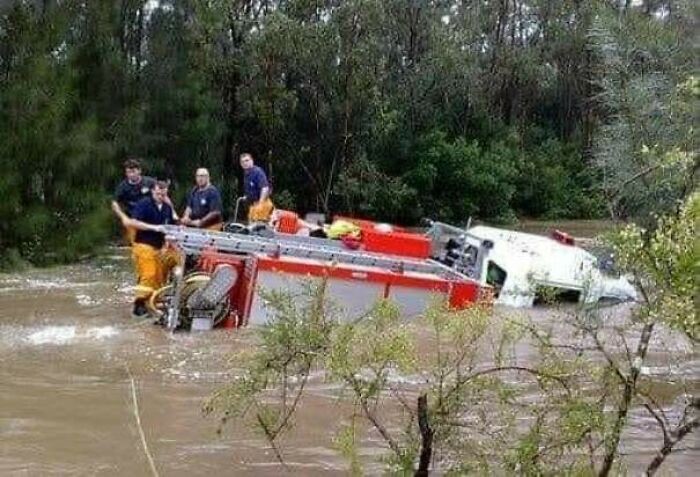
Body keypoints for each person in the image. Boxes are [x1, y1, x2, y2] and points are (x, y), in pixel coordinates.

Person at [123, 181, 180, 318]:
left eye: (163, 194)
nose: (161, 196)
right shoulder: (144, 204)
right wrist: (153, 227)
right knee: (149, 274)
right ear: (153, 191)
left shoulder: (167, 208)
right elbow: (134, 222)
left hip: (159, 247)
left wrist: (169, 240)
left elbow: (172, 226)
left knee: (159, 275)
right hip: (143, 245)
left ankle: (153, 301)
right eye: (158, 193)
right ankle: (139, 304)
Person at [111, 158, 156, 244]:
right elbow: (114, 203)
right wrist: (123, 217)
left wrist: (172, 212)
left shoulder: (150, 182)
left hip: (151, 216)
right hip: (133, 218)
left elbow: (163, 196)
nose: (131, 175)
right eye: (128, 172)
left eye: (133, 172)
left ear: (139, 171)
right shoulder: (123, 187)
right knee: (136, 242)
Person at [239, 153, 274, 222]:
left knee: (260, 226)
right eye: (242, 162)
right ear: (241, 164)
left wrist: (261, 203)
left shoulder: (257, 172)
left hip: (262, 204)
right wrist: (246, 197)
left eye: (247, 160)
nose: (245, 163)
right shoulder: (246, 174)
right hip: (253, 205)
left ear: (252, 161)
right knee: (251, 224)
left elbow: (265, 188)